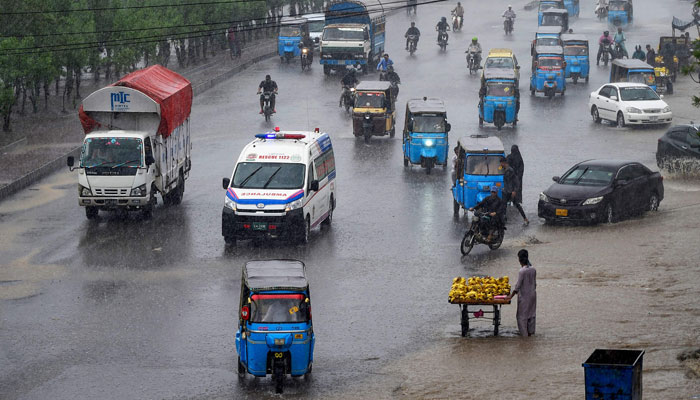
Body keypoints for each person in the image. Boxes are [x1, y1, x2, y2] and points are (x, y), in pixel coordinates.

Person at [506, 249, 536, 337]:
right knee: (531, 314)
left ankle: (524, 337)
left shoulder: (522, 271)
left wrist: (510, 296)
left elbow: (517, 286)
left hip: (525, 296)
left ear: (519, 259)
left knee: (521, 317)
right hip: (533, 295)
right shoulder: (533, 269)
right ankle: (530, 333)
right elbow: (534, 283)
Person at [500, 157, 528, 225]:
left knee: (517, 205)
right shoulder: (504, 169)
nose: (500, 164)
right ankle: (503, 220)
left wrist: (514, 191)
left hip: (511, 192)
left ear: (504, 163)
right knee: (503, 206)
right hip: (506, 191)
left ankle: (525, 218)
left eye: (501, 163)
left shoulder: (510, 170)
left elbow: (516, 182)